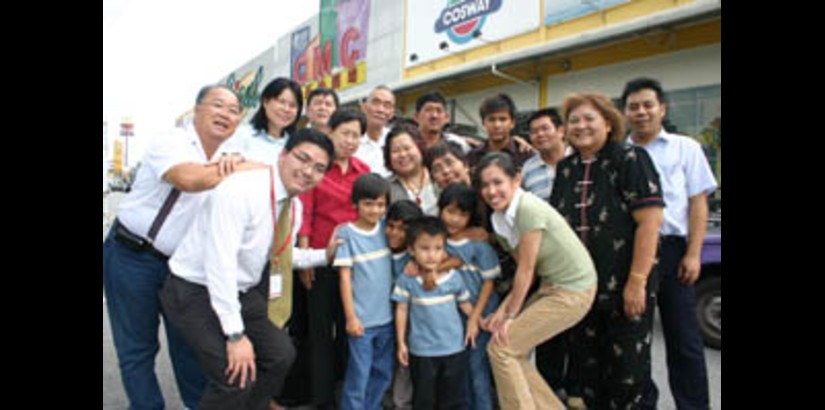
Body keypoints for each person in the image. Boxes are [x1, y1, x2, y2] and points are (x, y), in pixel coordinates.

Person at [158, 129, 336, 410]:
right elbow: (220, 264)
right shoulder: (241, 191)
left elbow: (282, 256)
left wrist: (325, 255)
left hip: (240, 291)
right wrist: (236, 336)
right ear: (283, 155)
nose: (308, 172)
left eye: (319, 169)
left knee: (280, 355)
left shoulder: (294, 206)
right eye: (303, 158)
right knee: (235, 377)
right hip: (193, 290)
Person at [103, 84, 252, 410]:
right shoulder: (171, 142)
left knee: (190, 346)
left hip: (179, 269)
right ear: (197, 109)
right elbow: (188, 179)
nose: (225, 114)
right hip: (132, 256)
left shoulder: (232, 156)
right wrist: (238, 168)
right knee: (137, 350)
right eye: (218, 105)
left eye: (233, 110)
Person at [550, 93, 664, 409]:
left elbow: (650, 223)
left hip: (625, 284)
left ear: (609, 123)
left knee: (628, 373)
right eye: (574, 120)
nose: (581, 126)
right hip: (579, 289)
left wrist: (637, 281)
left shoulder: (630, 159)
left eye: (589, 118)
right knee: (586, 371)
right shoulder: (566, 167)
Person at [622, 78, 717, 410]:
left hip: (675, 252)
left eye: (648, 105)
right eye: (634, 106)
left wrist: (694, 253)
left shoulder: (685, 147)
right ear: (625, 113)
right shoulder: (620, 153)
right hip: (632, 255)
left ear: (662, 109)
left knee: (685, 340)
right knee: (636, 340)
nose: (641, 112)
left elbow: (698, 203)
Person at [475, 152, 597, 410]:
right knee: (510, 350)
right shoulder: (499, 219)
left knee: (502, 349)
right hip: (550, 287)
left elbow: (528, 270)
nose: (491, 191)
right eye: (485, 185)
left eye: (498, 182)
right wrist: (501, 311)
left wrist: (509, 317)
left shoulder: (527, 208)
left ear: (516, 179)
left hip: (573, 291)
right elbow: (524, 269)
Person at [297, 108, 370, 409]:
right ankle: (321, 399)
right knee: (319, 333)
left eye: (356, 135)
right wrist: (305, 259)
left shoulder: (363, 171)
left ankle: (345, 393)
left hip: (354, 266)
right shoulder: (318, 168)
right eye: (346, 133)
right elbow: (306, 212)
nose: (351, 140)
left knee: (349, 330)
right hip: (320, 261)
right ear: (332, 132)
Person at [392, 216, 474, 410]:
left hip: (453, 349)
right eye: (425, 248)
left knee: (452, 400)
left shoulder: (454, 278)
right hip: (422, 352)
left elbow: (465, 304)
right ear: (411, 249)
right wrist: (401, 343)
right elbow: (401, 309)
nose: (432, 255)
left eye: (438, 248)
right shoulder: (408, 280)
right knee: (424, 400)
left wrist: (481, 320)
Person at [333, 173, 396, 410]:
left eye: (380, 204)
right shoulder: (346, 234)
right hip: (362, 322)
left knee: (383, 371)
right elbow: (345, 278)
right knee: (359, 374)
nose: (375, 210)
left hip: (387, 319)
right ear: (355, 204)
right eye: (368, 203)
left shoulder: (386, 230)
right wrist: (351, 317)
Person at [438, 182, 501, 410]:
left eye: (462, 214)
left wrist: (475, 318)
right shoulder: (439, 243)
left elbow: (488, 283)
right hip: (455, 316)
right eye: (450, 211)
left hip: (482, 314)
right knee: (460, 368)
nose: (454, 219)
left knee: (477, 367)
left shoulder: (479, 245)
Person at [235, 77, 304, 163]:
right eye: (281, 102)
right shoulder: (242, 135)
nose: (286, 109)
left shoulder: (297, 145)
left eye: (292, 105)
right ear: (265, 102)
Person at [466, 93, 534, 169]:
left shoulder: (525, 155)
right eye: (491, 120)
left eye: (503, 119)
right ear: (483, 123)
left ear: (512, 123)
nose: (497, 125)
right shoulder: (473, 157)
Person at [384, 123, 440, 216]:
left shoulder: (438, 178)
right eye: (395, 151)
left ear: (420, 147)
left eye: (407, 148)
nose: (402, 154)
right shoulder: (385, 188)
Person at [521, 108, 569, 202]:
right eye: (534, 131)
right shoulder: (527, 170)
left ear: (561, 131)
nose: (540, 134)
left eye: (545, 128)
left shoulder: (579, 159)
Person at [355, 85, 396, 177]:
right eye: (376, 103)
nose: (381, 110)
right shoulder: (352, 140)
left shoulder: (395, 139)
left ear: (392, 113)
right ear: (364, 107)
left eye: (387, 105)